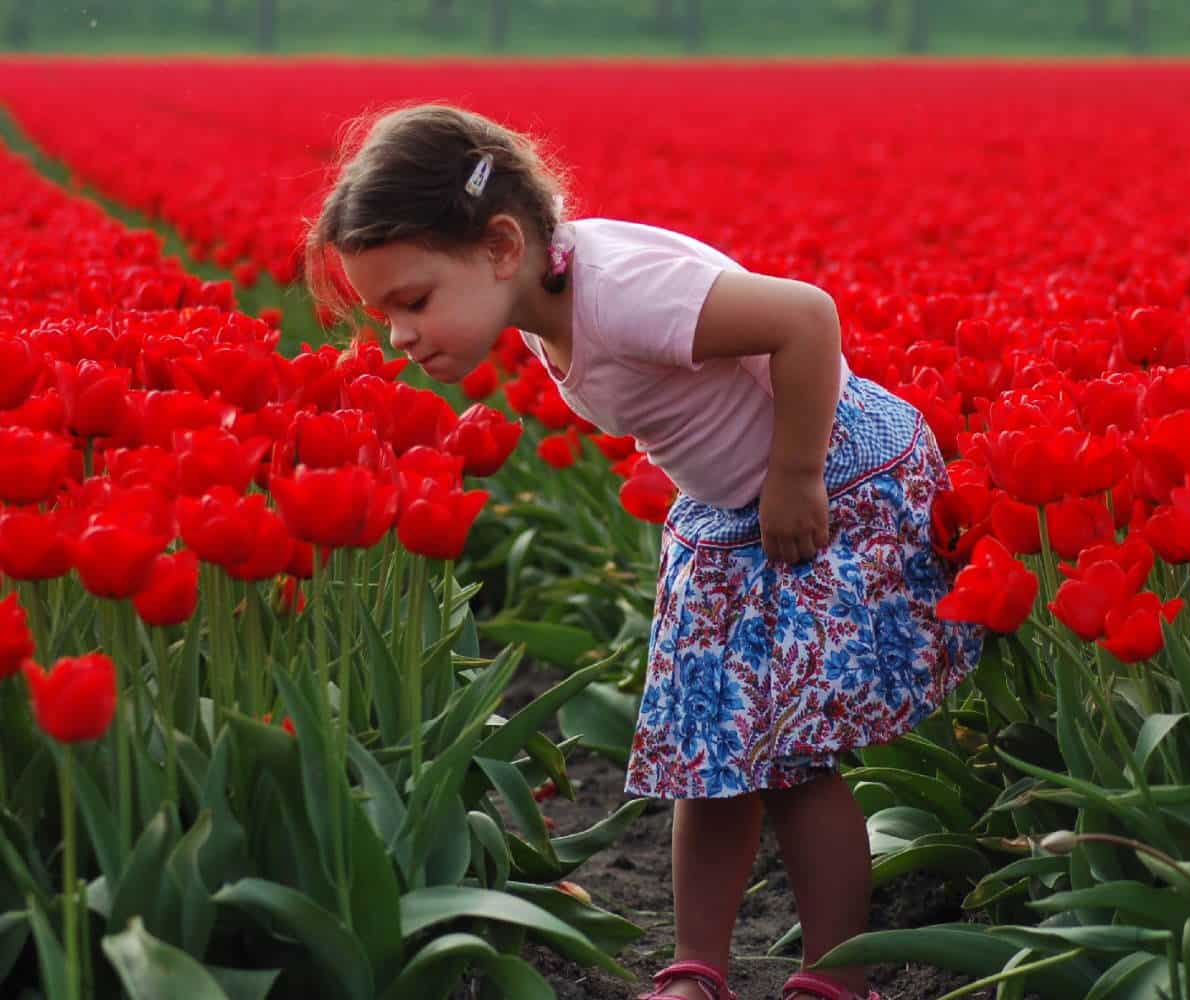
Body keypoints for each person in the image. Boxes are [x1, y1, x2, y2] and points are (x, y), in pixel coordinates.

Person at [308, 104, 981, 1000]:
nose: (398, 334)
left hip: (826, 486)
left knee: (794, 758)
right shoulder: (551, 294)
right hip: (729, 508)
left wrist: (793, 476)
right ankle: (697, 969)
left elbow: (808, 320)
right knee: (707, 750)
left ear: (501, 247)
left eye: (413, 301)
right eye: (386, 311)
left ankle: (835, 978)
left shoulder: (622, 296)